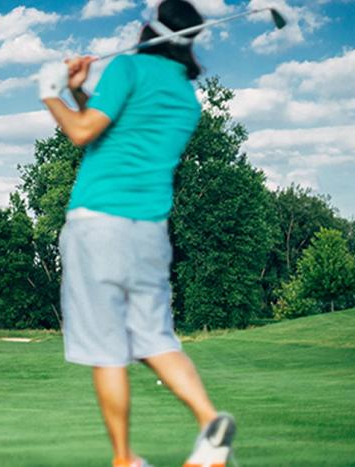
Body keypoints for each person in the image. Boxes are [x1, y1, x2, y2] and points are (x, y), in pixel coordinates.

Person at [38, 1, 236, 466]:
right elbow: (114, 129)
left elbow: (85, 134)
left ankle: (125, 460)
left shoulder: (128, 67)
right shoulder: (186, 99)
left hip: (96, 225)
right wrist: (82, 92)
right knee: (154, 338)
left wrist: (52, 95)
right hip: (148, 233)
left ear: (149, 28)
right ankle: (211, 425)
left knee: (107, 349)